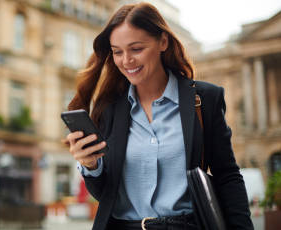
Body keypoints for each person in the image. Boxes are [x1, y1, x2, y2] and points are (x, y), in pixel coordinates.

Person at [65, 3, 253, 229]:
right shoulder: (108, 108)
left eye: (136, 49)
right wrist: (90, 165)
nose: (126, 61)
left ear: (163, 42)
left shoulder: (204, 99)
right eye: (117, 52)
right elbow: (106, 193)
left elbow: (227, 176)